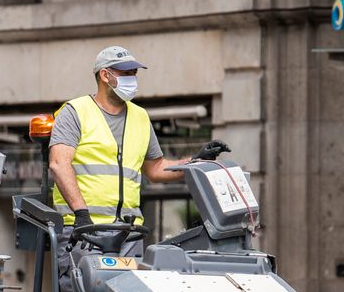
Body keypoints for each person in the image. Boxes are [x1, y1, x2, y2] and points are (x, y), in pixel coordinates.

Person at [48, 45, 226, 250]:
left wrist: (196, 162)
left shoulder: (140, 117)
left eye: (134, 73)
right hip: (84, 230)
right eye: (126, 73)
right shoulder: (75, 112)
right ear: (105, 75)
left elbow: (156, 169)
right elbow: (59, 164)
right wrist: (81, 214)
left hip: (129, 233)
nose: (132, 79)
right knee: (85, 282)